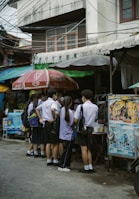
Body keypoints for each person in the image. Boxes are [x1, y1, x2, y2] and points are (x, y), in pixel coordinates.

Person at [74, 89, 98, 173]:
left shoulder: (80, 107)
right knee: (88, 148)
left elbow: (76, 120)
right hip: (90, 129)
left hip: (82, 129)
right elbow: (95, 119)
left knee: (83, 148)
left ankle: (86, 167)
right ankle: (90, 166)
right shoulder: (95, 107)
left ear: (83, 97)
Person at [35, 88, 57, 165]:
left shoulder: (44, 103)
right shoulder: (53, 102)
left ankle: (48, 159)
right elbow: (53, 109)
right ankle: (54, 159)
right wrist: (54, 118)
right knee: (54, 143)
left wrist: (40, 118)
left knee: (47, 142)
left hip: (45, 124)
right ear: (53, 95)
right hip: (52, 123)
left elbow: (37, 109)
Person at [58, 96, 74, 172]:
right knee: (67, 151)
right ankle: (62, 165)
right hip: (68, 134)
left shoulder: (61, 110)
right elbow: (71, 123)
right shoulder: (70, 112)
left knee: (65, 150)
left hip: (62, 133)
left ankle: (65, 164)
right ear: (70, 103)